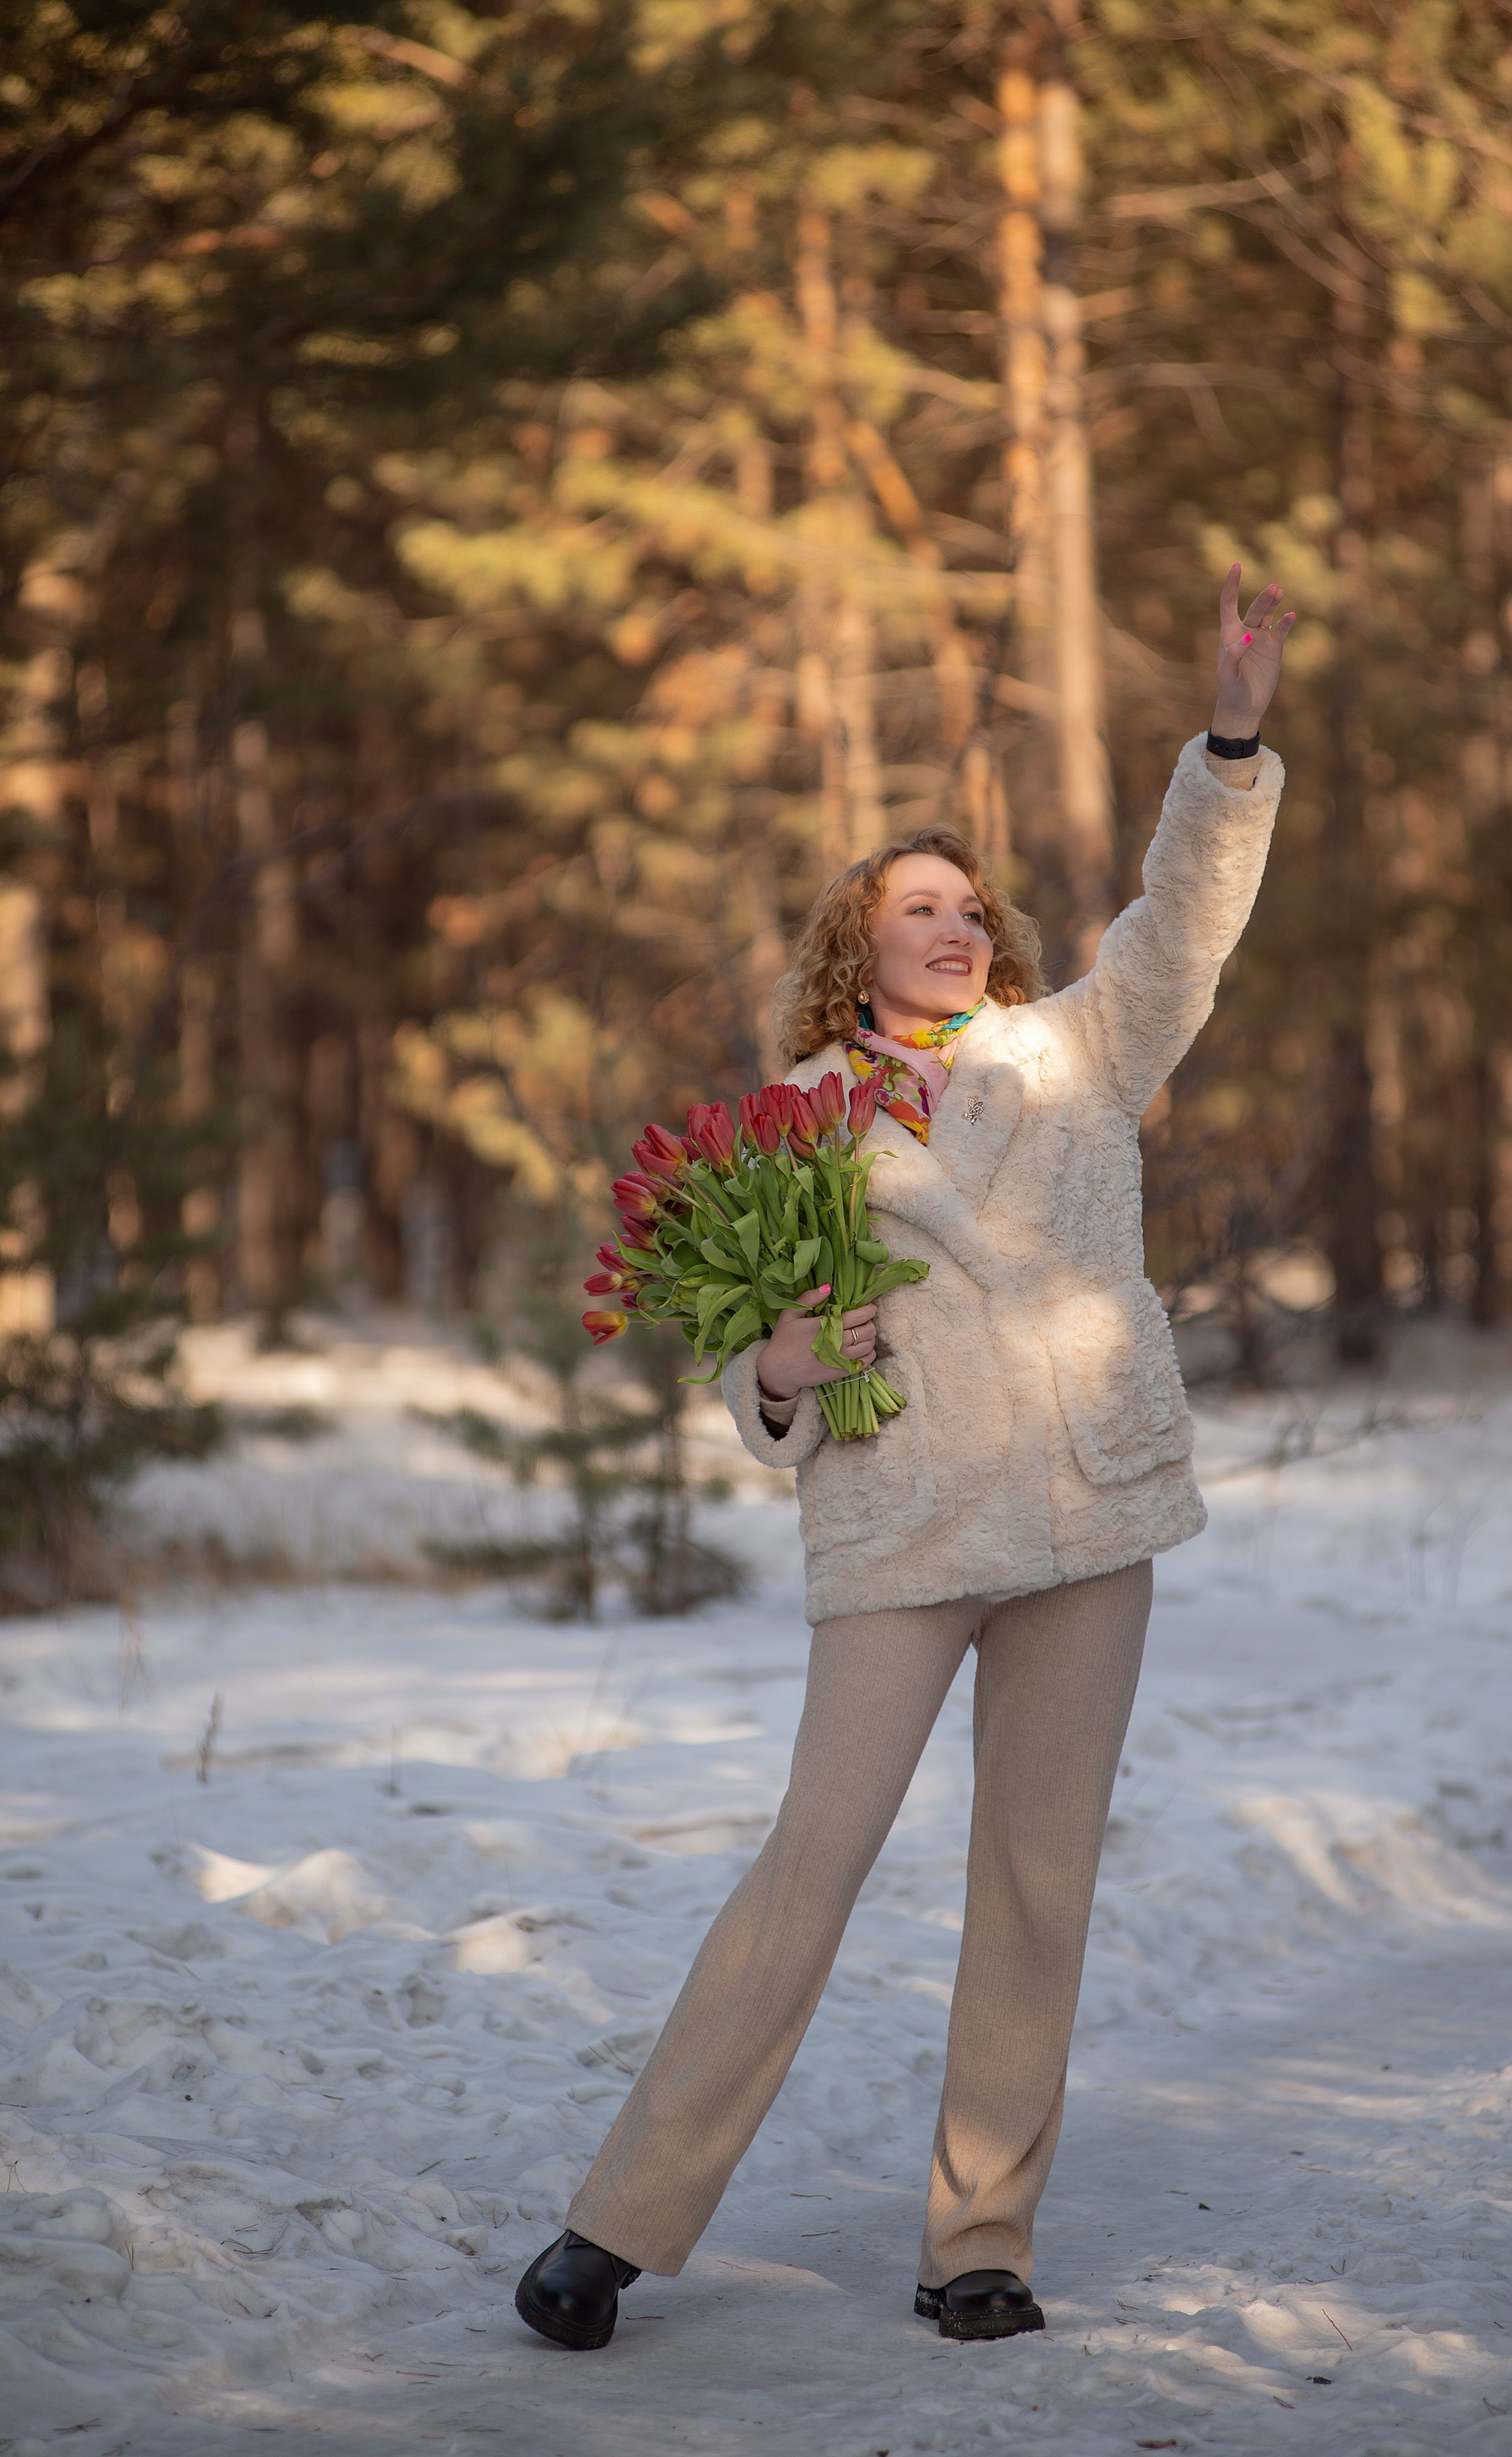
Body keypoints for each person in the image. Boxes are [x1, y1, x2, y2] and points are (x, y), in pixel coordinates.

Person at [515, 566, 1294, 2350]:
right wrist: (782, 1362)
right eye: (915, 907)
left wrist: (1231, 742)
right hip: (900, 1520)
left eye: (968, 904)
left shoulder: (1082, 1050)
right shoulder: (792, 1118)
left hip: (1089, 1509)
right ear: (856, 948)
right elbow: (738, 1348)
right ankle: (618, 2223)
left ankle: (981, 2245)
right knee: (811, 1865)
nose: (953, 923)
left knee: (1039, 1882)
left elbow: (1186, 918)